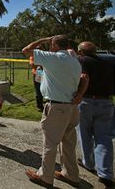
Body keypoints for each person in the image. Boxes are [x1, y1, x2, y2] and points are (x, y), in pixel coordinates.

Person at [22, 35, 85, 188]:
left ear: (54, 44)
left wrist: (43, 39)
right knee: (68, 143)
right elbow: (84, 78)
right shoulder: (74, 60)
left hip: (57, 107)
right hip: (72, 108)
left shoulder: (53, 58)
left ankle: (45, 177)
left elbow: (26, 50)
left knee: (50, 144)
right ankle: (71, 175)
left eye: (51, 44)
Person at [76, 41, 114, 187]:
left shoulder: (82, 60)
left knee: (84, 134)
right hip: (106, 102)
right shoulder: (108, 61)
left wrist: (79, 93)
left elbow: (84, 77)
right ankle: (106, 173)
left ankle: (89, 163)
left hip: (86, 101)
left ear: (80, 52)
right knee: (104, 138)